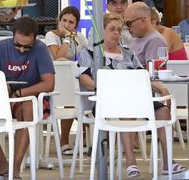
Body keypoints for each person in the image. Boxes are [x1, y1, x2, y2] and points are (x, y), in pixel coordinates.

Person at [78, 13, 186, 178]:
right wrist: (109, 85)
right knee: (126, 109)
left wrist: (159, 88)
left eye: (119, 30)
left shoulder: (128, 52)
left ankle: (167, 162)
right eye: (112, 29)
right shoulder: (91, 52)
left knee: (163, 111)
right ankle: (131, 161)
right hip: (107, 102)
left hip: (135, 100)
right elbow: (85, 80)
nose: (116, 33)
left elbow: (141, 76)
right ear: (102, 31)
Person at [0, 16, 55, 179]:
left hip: (31, 99)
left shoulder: (41, 49)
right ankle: (3, 163)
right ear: (12, 35)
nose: (21, 50)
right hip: (5, 98)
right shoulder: (1, 47)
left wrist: (21, 93)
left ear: (35, 40)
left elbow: (49, 84)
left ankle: (15, 167)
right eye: (18, 45)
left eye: (27, 47)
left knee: (28, 109)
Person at [44, 6, 87, 155]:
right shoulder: (51, 35)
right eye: (64, 21)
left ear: (76, 24)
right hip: (53, 78)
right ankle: (64, 140)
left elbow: (88, 54)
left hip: (72, 78)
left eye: (71, 22)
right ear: (59, 21)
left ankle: (85, 137)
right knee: (70, 98)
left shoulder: (80, 37)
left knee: (85, 92)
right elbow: (57, 57)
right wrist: (67, 39)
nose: (66, 25)